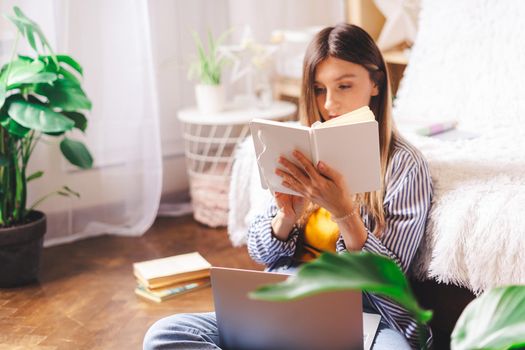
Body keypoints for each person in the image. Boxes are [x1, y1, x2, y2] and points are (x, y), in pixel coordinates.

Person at [143, 23, 433, 350]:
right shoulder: (302, 146)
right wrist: (285, 218)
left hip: (363, 311)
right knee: (165, 334)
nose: (329, 104)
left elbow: (389, 283)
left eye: (344, 86)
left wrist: (345, 214)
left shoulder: (405, 166)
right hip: (289, 298)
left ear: (376, 83)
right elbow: (260, 252)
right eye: (319, 89)